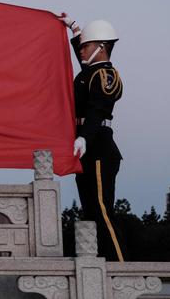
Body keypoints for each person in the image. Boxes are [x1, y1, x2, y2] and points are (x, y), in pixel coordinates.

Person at [59, 14, 126, 262]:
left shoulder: (105, 76)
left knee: (102, 210)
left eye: (87, 46)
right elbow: (83, 58)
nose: (82, 51)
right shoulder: (89, 73)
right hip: (85, 147)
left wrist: (84, 137)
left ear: (101, 48)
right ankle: (98, 266)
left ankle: (119, 267)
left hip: (98, 147)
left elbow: (97, 110)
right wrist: (75, 30)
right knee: (89, 210)